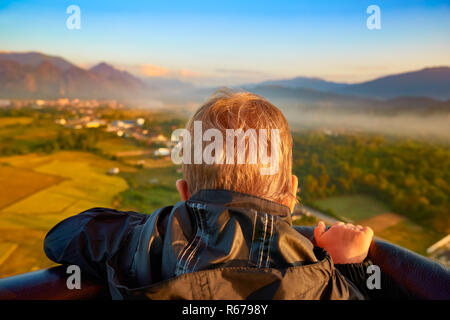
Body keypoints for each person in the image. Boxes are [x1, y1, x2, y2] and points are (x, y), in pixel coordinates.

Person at [44, 89, 375, 300]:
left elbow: (60, 239)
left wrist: (146, 227)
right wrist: (347, 263)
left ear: (184, 191)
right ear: (290, 193)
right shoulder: (314, 275)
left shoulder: (143, 241)